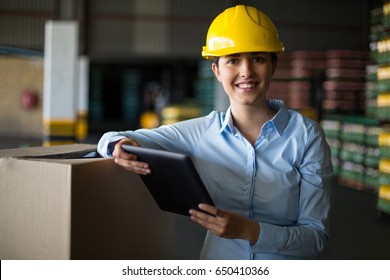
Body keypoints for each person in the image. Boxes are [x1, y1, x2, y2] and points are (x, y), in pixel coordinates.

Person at [97, 5, 333, 260]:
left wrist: (251, 231)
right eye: (233, 60)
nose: (246, 71)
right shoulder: (200, 132)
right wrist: (118, 145)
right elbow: (112, 138)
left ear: (273, 66)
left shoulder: (306, 136)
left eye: (258, 58)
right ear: (217, 71)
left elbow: (315, 237)